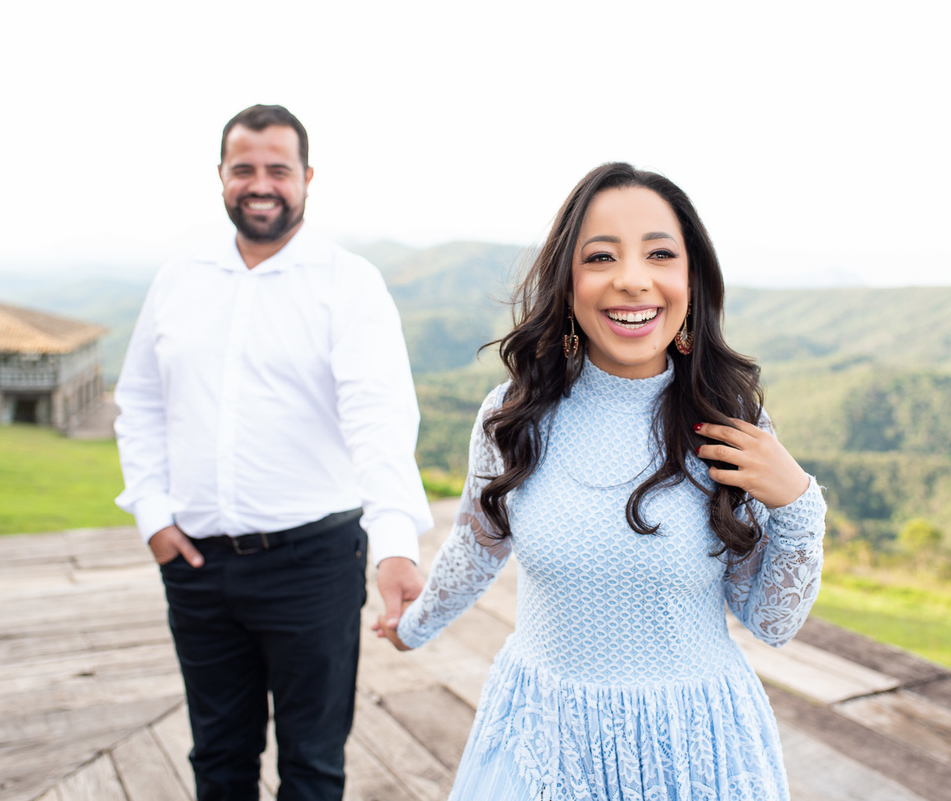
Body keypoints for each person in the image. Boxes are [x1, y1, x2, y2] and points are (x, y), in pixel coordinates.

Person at [379, 162, 826, 801]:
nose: (632, 280)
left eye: (659, 254)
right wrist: (411, 626)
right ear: (568, 282)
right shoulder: (515, 414)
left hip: (691, 746)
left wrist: (799, 506)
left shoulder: (730, 421)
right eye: (601, 256)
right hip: (541, 739)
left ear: (691, 279)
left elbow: (771, 622)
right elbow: (477, 548)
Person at [114, 104, 432, 801]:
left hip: (312, 564)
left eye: (278, 169)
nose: (261, 183)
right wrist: (153, 516)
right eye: (244, 169)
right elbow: (138, 402)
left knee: (312, 766)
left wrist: (395, 544)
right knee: (217, 758)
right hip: (195, 564)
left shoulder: (347, 283)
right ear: (221, 177)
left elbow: (379, 420)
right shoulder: (179, 278)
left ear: (308, 178)